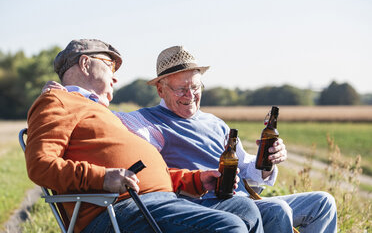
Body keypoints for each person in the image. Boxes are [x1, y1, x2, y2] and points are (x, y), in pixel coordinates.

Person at [43, 45, 338, 232]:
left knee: (322, 202)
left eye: (195, 87)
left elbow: (249, 172)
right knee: (275, 209)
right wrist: (66, 93)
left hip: (234, 196)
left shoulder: (216, 124)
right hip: (199, 204)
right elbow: (107, 125)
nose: (190, 95)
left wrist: (268, 161)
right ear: (161, 90)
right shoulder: (146, 121)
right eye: (180, 89)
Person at [27, 39, 264, 233]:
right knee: (228, 226)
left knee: (246, 209)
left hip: (156, 201)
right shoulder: (58, 101)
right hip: (115, 211)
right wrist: (102, 178)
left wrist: (194, 180)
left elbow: (140, 172)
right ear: (86, 63)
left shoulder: (103, 113)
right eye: (110, 65)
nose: (116, 77)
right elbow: (40, 166)